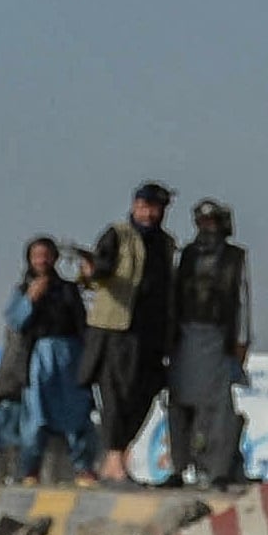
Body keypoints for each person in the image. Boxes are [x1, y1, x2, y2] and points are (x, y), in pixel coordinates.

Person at [83, 183, 172, 478]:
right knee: (115, 394)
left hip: (150, 334)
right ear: (135, 206)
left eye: (155, 208)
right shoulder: (118, 234)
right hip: (116, 330)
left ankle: (119, 455)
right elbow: (101, 268)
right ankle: (113, 457)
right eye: (144, 206)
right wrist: (93, 270)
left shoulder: (165, 243)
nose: (148, 213)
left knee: (143, 394)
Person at [161, 198, 252, 485]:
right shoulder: (187, 255)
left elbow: (243, 300)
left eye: (212, 222)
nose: (206, 228)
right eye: (202, 222)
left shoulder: (236, 257)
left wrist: (241, 342)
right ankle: (179, 466)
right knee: (179, 404)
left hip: (217, 338)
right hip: (186, 337)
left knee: (217, 409)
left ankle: (218, 470)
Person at [0, 237, 93, 482]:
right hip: (39, 357)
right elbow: (14, 321)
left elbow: (81, 323)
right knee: (36, 417)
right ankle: (30, 470)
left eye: (46, 255)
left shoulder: (67, 289)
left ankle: (83, 468)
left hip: (69, 356)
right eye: (37, 256)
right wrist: (31, 300)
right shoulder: (23, 289)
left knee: (75, 412)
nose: (42, 260)